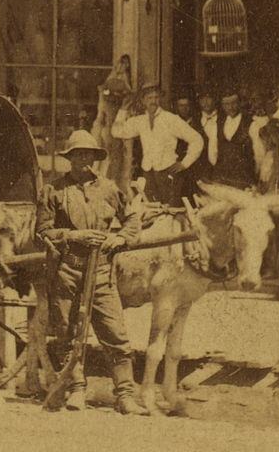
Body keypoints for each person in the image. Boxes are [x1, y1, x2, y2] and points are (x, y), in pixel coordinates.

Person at [36, 129, 143, 415]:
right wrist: (74, 236)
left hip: (103, 273)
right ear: (69, 158)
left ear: (95, 158)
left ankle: (125, 395)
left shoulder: (109, 189)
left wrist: (119, 238)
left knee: (115, 334)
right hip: (68, 270)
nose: (83, 160)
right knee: (69, 335)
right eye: (77, 155)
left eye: (88, 155)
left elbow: (132, 218)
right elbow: (43, 232)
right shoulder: (54, 190)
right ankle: (76, 390)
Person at [111, 83, 203, 206]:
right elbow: (117, 132)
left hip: (168, 173)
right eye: (149, 98)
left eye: (156, 97)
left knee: (170, 211)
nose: (153, 101)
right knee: (151, 210)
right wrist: (123, 110)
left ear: (160, 99)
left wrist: (185, 163)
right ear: (143, 101)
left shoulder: (170, 119)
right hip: (148, 174)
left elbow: (197, 139)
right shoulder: (140, 121)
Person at [214, 86, 259, 189]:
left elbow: (258, 154)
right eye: (226, 104)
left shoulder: (251, 123)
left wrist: (252, 174)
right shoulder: (217, 124)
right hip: (222, 176)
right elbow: (213, 152)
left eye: (234, 103)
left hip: (244, 177)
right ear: (222, 106)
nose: (230, 107)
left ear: (240, 103)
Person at [173, 92, 199, 201]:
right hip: (176, 165)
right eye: (181, 105)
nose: (184, 108)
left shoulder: (198, 122)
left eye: (187, 105)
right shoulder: (172, 122)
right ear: (176, 107)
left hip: (194, 166)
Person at [195, 88, 219, 184]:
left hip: (221, 170)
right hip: (203, 171)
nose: (205, 102)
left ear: (214, 100)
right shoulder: (196, 120)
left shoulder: (224, 119)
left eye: (208, 98)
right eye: (202, 99)